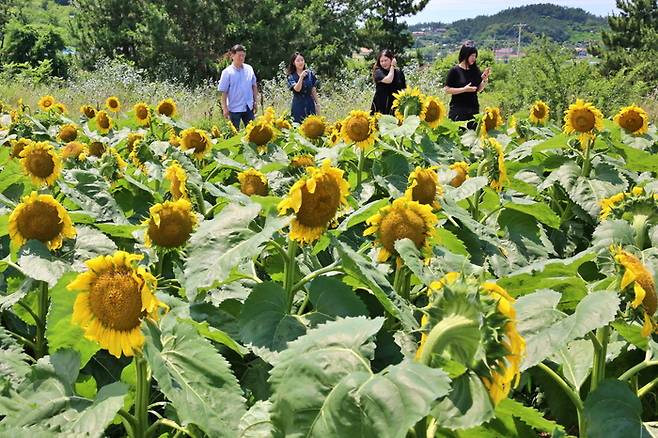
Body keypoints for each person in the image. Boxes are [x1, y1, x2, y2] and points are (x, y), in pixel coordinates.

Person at [444, 42, 490, 130]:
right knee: (458, 136)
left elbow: (478, 89)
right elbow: (447, 89)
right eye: (472, 55)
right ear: (465, 55)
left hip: (473, 110)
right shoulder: (455, 71)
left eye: (475, 56)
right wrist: (464, 89)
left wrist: (484, 79)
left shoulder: (475, 70)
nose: (474, 58)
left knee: (471, 137)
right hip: (458, 110)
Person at [218, 44, 259, 130]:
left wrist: (255, 102)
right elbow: (224, 92)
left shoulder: (249, 69)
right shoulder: (227, 72)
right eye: (239, 55)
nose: (241, 58)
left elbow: (254, 86)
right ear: (232, 56)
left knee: (252, 132)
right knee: (234, 132)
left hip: (248, 106)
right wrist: (225, 108)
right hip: (234, 108)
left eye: (243, 56)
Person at [370, 49, 407, 115]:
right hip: (381, 106)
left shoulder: (399, 72)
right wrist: (392, 66)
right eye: (381, 61)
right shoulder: (378, 72)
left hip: (395, 106)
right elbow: (388, 80)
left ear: (392, 59)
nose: (383, 63)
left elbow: (404, 89)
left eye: (386, 60)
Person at [287, 52, 320, 124]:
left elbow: (313, 89)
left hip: (309, 103)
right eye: (298, 61)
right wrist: (301, 77)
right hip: (298, 104)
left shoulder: (310, 74)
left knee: (312, 126)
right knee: (297, 127)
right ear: (293, 63)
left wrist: (317, 104)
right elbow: (297, 89)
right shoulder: (291, 76)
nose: (300, 62)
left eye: (302, 60)